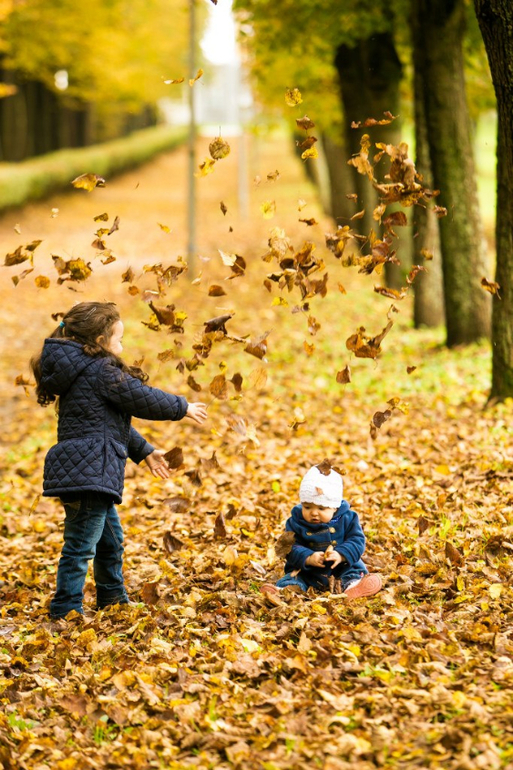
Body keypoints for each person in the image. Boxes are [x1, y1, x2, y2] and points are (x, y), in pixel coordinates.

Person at [30, 301, 207, 619]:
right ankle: (64, 608)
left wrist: (145, 452)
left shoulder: (80, 373)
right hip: (90, 471)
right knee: (80, 545)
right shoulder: (100, 371)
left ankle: (112, 598)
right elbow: (142, 398)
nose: (122, 346)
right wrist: (182, 407)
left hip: (84, 471)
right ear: (100, 342)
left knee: (110, 541)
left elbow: (110, 424)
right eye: (119, 339)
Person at [262, 463, 382, 603]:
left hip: (341, 567)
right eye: (307, 506)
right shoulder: (296, 522)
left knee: (352, 573)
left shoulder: (348, 518)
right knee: (295, 577)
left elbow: (357, 540)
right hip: (309, 570)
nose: (313, 512)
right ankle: (286, 591)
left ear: (335, 507)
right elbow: (289, 547)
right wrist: (308, 557)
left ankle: (353, 586)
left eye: (321, 508)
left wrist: (341, 554)